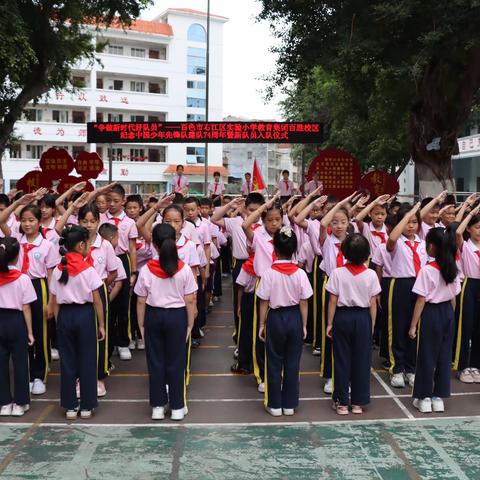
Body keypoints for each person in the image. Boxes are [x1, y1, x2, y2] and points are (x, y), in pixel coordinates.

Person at [135, 224, 197, 421]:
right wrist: (190, 323)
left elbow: (140, 300)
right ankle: (177, 407)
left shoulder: (146, 269)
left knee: (156, 362)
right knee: (176, 363)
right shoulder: (184, 269)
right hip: (177, 316)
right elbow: (191, 300)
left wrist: (141, 325)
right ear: (175, 239)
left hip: (154, 315)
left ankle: (158, 407)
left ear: (153, 243)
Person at [0, 192, 60, 396]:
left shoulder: (46, 245)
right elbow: (1, 220)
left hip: (38, 286)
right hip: (16, 285)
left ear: (39, 222)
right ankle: (23, 373)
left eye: (31, 220)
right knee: (21, 333)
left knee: (40, 331)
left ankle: (38, 375)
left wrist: (51, 301)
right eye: (24, 220)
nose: (27, 224)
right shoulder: (15, 239)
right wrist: (18, 201)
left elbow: (51, 274)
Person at [49, 225, 105, 420]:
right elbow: (97, 299)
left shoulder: (58, 269)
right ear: (81, 245)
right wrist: (101, 325)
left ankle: (70, 406)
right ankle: (87, 406)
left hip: (65, 315)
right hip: (84, 315)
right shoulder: (88, 269)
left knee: (68, 361)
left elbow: (54, 300)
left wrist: (59, 322)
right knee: (87, 360)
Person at [257, 227, 312, 416]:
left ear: (275, 250)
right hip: (294, 317)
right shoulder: (300, 274)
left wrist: (261, 325)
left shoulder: (269, 273)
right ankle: (289, 404)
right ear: (294, 250)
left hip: (275, 317)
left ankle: (275, 405)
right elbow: (304, 302)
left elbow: (263, 301)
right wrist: (304, 325)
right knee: (292, 362)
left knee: (273, 361)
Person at [326, 234, 381, 415]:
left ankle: (342, 402)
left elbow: (333, 301)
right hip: (362, 317)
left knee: (341, 359)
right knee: (362, 360)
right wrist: (371, 324)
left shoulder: (337, 273)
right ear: (367, 254)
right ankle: (358, 402)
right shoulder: (371, 274)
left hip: (342, 317)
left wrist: (329, 323)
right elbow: (373, 303)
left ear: (345, 253)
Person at [409, 227, 460, 413]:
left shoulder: (427, 270)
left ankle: (423, 397)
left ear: (431, 246)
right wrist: (451, 318)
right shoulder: (453, 268)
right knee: (444, 356)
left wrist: (413, 325)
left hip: (431, 314)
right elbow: (454, 297)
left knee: (426, 356)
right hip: (447, 312)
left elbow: (421, 299)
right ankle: (438, 397)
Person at [386, 203, 428, 388]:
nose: (410, 226)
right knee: (398, 326)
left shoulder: (423, 243)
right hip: (401, 285)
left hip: (419, 286)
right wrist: (405, 217)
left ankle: (411, 368)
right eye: (407, 222)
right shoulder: (397, 242)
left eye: (414, 222)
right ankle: (397, 369)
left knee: (415, 328)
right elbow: (392, 238)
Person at [0, 237, 36, 417]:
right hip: (16, 321)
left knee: (1, 364)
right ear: (16, 257)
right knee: (21, 363)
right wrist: (30, 331)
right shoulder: (22, 278)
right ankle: (20, 403)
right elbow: (26, 307)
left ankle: (4, 403)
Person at [104, 184, 138, 361]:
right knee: (106, 303)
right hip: (104, 260)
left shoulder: (129, 222)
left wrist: (133, 271)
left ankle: (123, 342)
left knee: (123, 304)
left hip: (122, 259)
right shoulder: (101, 218)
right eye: (109, 200)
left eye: (116, 201)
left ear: (123, 201)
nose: (112, 204)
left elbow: (132, 248)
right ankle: (108, 341)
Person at [453, 204, 480, 383]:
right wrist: (471, 213)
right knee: (465, 326)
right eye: (477, 227)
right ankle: (462, 366)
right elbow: (457, 232)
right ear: (469, 229)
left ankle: (476, 365)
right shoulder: (465, 246)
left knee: (479, 328)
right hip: (469, 285)